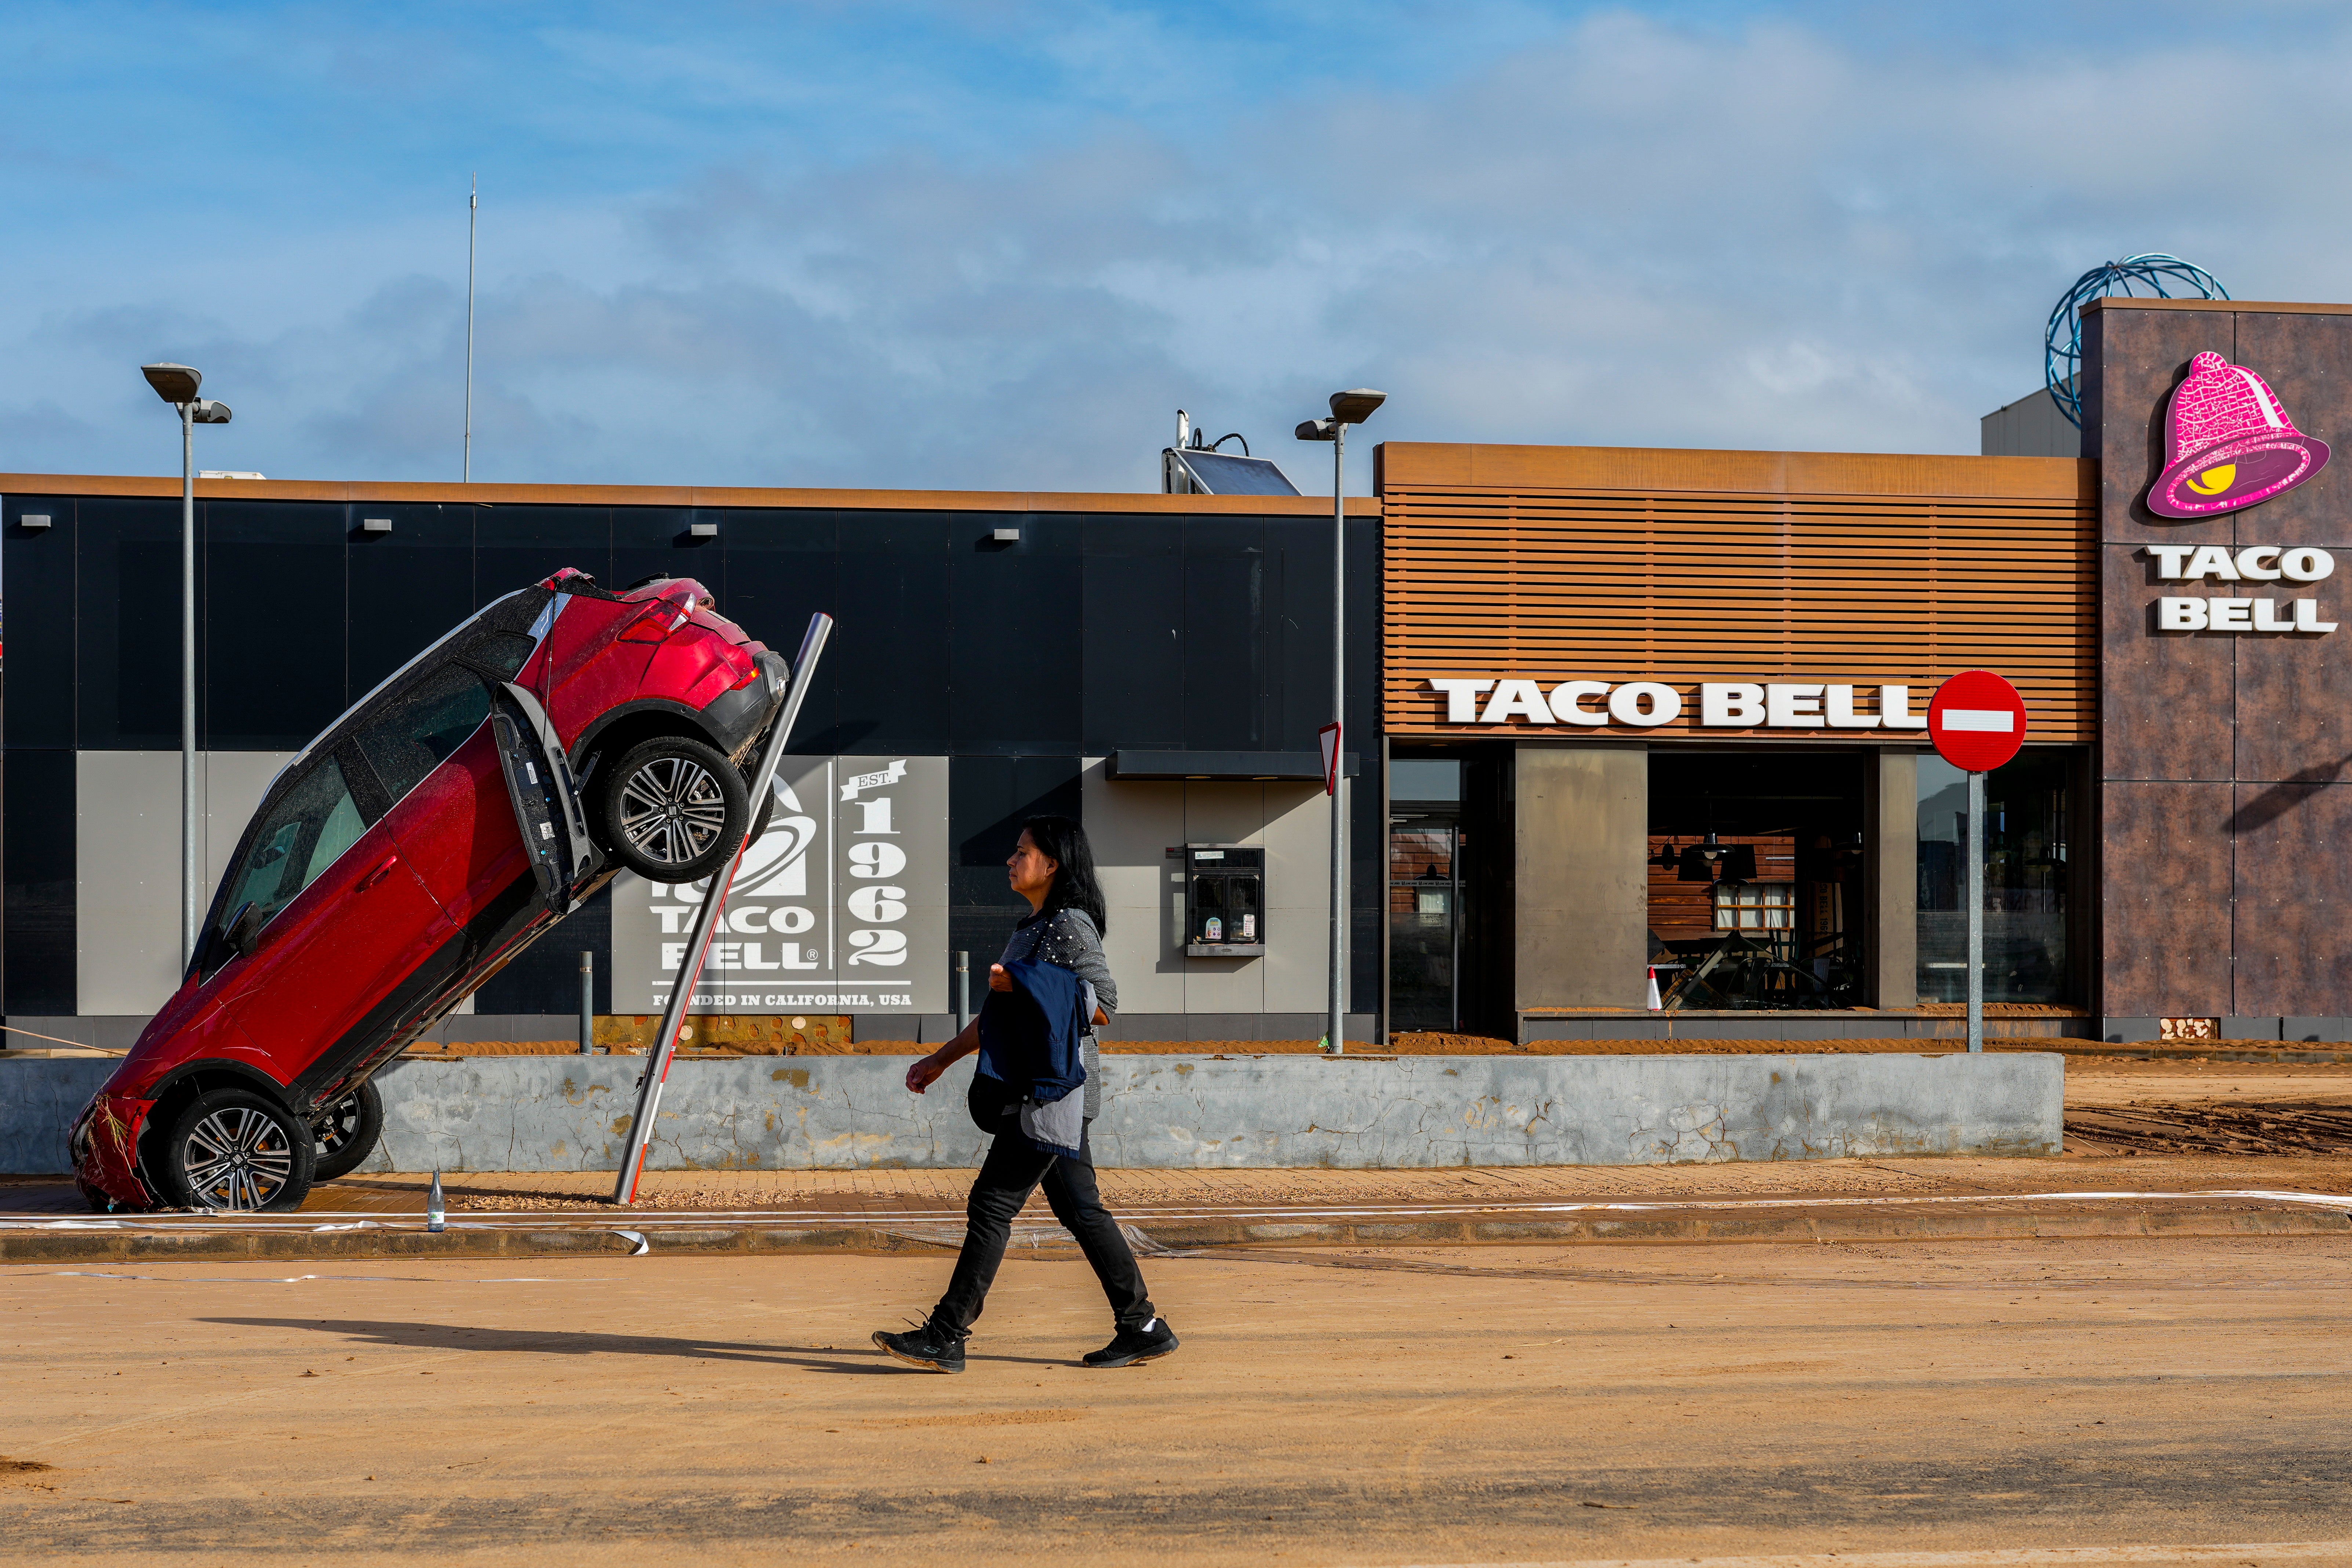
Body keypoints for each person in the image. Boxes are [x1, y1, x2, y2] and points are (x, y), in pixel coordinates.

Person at [871, 815, 1177, 1375]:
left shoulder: (1069, 925)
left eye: (1022, 852)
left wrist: (1028, 982)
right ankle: (1141, 1325)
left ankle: (946, 1334)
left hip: (1052, 1094)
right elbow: (997, 1014)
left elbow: (1105, 1004)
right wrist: (939, 1059)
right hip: (1040, 1088)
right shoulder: (1030, 927)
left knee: (992, 1204)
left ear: (1052, 863)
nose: (1011, 861)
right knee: (1081, 1210)